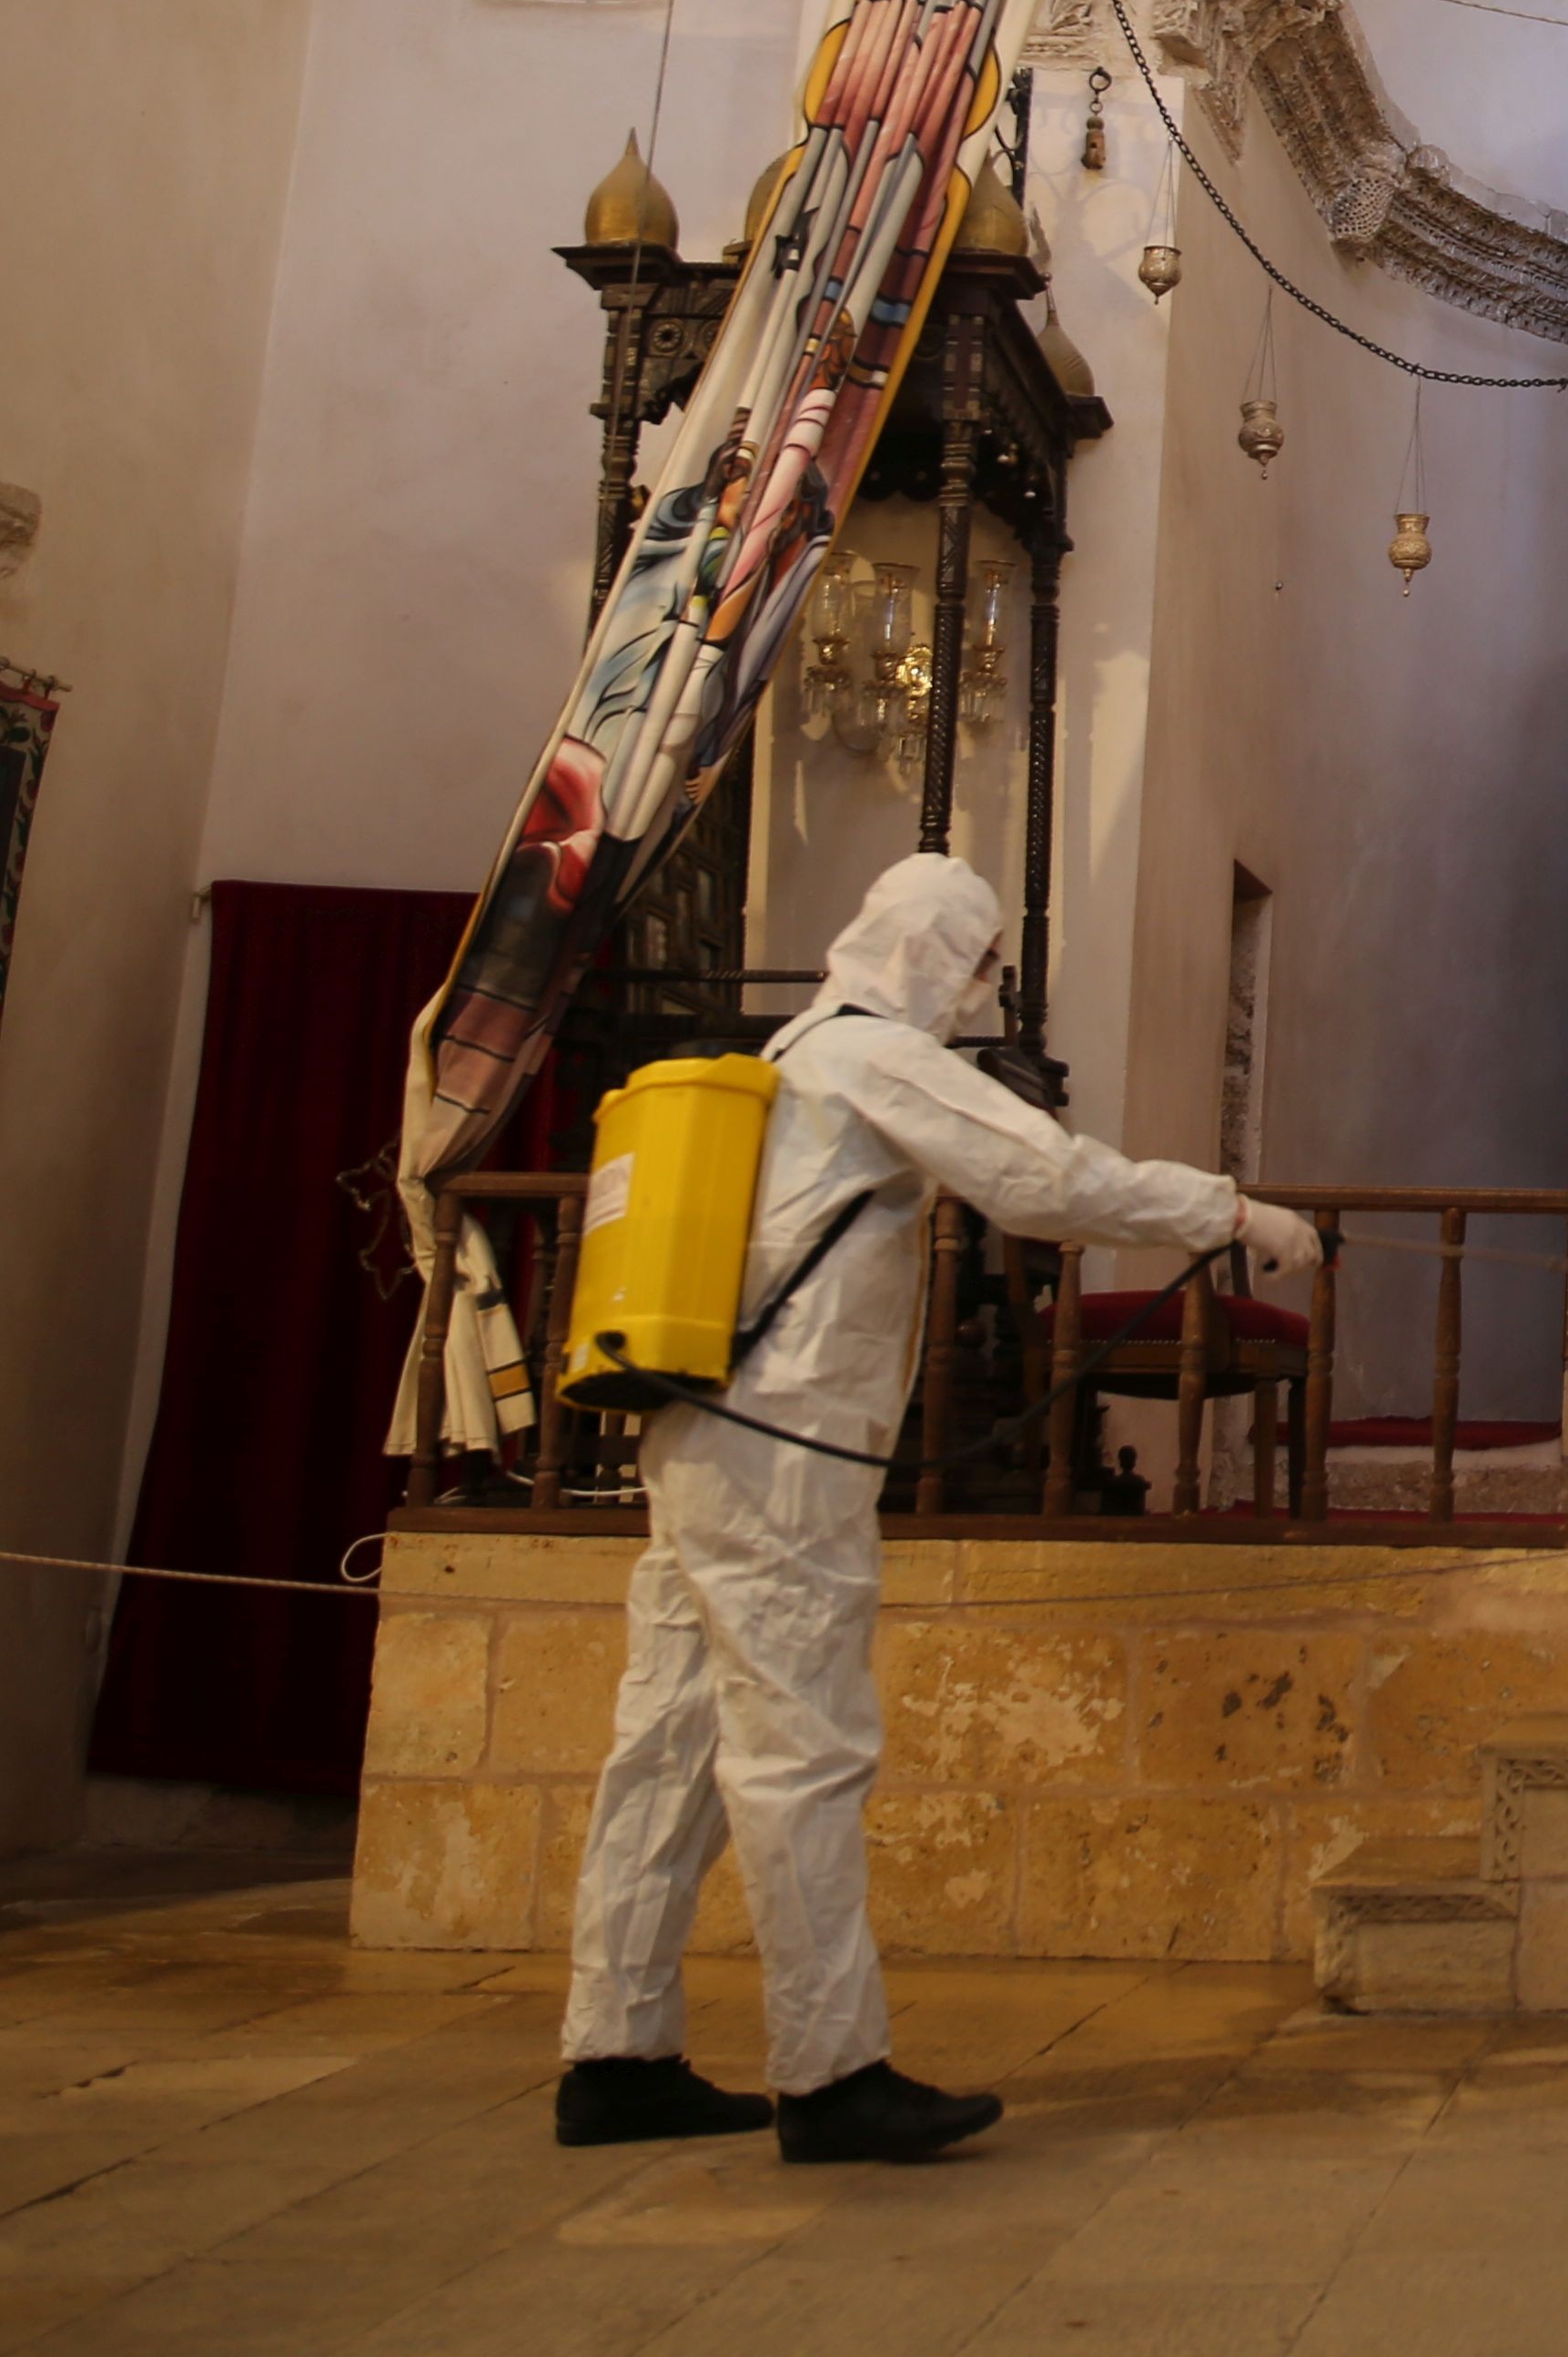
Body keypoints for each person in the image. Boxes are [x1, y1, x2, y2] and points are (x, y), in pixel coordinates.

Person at [555, 853, 1317, 2163]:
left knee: (668, 1746)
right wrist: (1232, 1211)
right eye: (977, 969)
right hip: (783, 1454)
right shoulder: (874, 1060)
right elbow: (1043, 1180)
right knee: (804, 1752)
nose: (980, 996)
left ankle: (616, 2052)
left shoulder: (797, 1048)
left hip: (701, 1440)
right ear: (937, 957)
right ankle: (833, 2072)